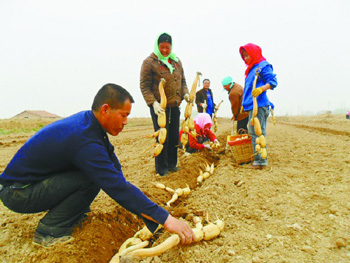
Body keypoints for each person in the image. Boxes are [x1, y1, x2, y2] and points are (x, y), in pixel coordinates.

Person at [0, 84, 194, 247]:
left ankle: (72, 214)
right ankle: (49, 231)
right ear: (105, 109)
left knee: (93, 175)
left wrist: (144, 210)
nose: (126, 122)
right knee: (90, 179)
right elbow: (115, 185)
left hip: (30, 185)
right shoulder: (84, 138)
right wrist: (165, 219)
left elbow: (112, 163)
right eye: (124, 115)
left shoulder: (90, 125)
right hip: (18, 192)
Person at [140, 32, 190, 176]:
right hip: (159, 108)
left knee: (174, 135)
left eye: (167, 47)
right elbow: (144, 86)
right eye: (162, 47)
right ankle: (161, 168)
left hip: (175, 104)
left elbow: (183, 81)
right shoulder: (149, 62)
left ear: (171, 47)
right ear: (157, 46)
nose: (164, 51)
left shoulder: (176, 61)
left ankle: (172, 164)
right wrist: (153, 103)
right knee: (162, 137)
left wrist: (185, 93)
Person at [239, 43, 278, 169]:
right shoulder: (251, 68)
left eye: (247, 55)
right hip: (252, 105)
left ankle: (261, 161)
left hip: (259, 104)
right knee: (253, 131)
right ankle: (259, 157)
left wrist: (261, 89)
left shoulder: (263, 66)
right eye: (243, 56)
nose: (245, 59)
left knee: (258, 132)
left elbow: (273, 82)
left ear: (253, 53)